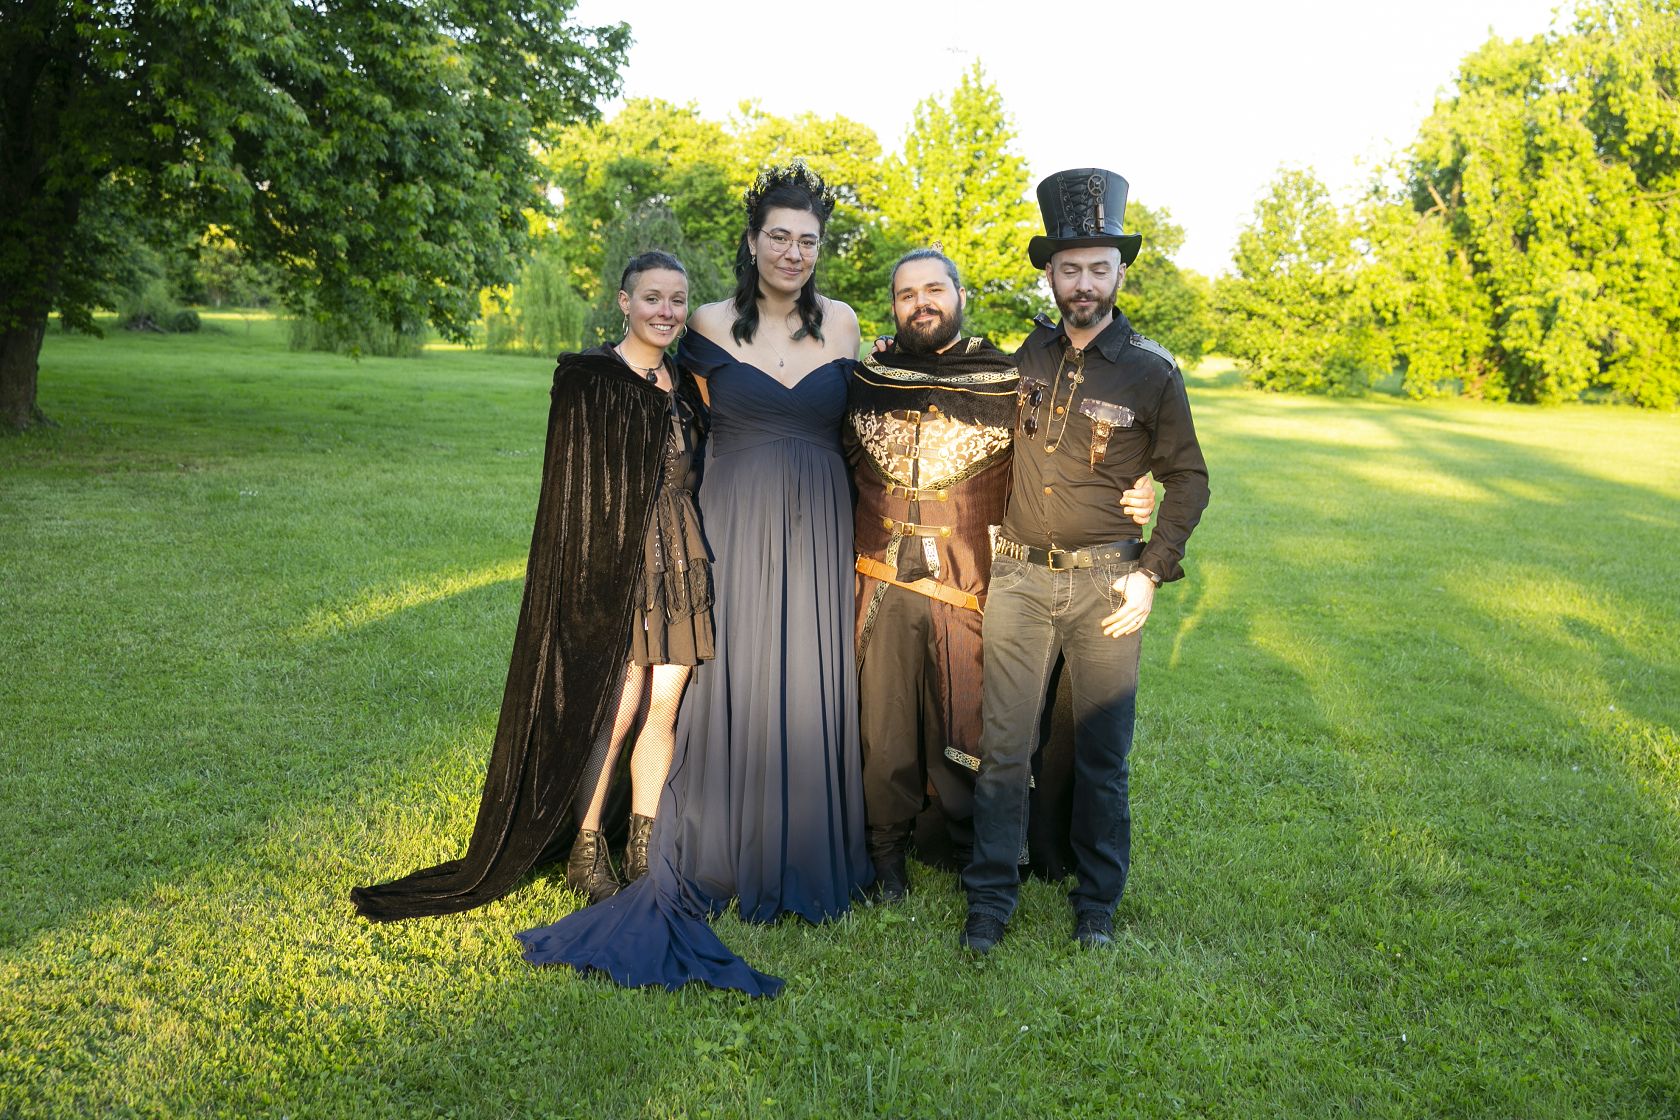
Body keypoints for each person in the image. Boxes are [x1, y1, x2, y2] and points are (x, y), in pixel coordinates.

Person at [516, 161, 870, 996]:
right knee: (708, 681)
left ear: (820, 249)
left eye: (808, 240)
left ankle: (798, 840)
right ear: (752, 241)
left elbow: (874, 416)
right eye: (778, 236)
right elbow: (648, 393)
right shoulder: (706, 320)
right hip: (727, 526)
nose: (792, 252)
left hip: (818, 526)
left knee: (803, 679)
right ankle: (670, 839)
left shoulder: (848, 324)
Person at [348, 252, 709, 921]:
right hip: (618, 562)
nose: (666, 311)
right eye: (652, 298)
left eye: (677, 300)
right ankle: (586, 849)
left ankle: (643, 851)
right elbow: (573, 491)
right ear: (624, 302)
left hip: (681, 558)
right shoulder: (589, 378)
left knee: (665, 708)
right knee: (617, 710)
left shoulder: (686, 381)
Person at [847, 248, 1156, 901]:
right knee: (884, 722)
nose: (921, 303)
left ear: (960, 296)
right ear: (894, 305)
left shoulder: (1008, 377)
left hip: (975, 581)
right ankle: (885, 850)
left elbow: (1066, 456)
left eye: (934, 289)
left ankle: (975, 847)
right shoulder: (869, 376)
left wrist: (1136, 484)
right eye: (907, 294)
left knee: (977, 722)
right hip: (878, 580)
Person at [960, 168, 1210, 955]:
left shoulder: (1152, 371)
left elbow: (1189, 478)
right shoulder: (1027, 355)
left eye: (1099, 267)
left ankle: (1096, 905)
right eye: (1070, 268)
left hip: (1108, 584)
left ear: (1119, 272)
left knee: (1103, 755)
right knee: (1004, 748)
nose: (1084, 283)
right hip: (1019, 579)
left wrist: (1151, 569)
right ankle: (989, 901)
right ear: (1051, 274)